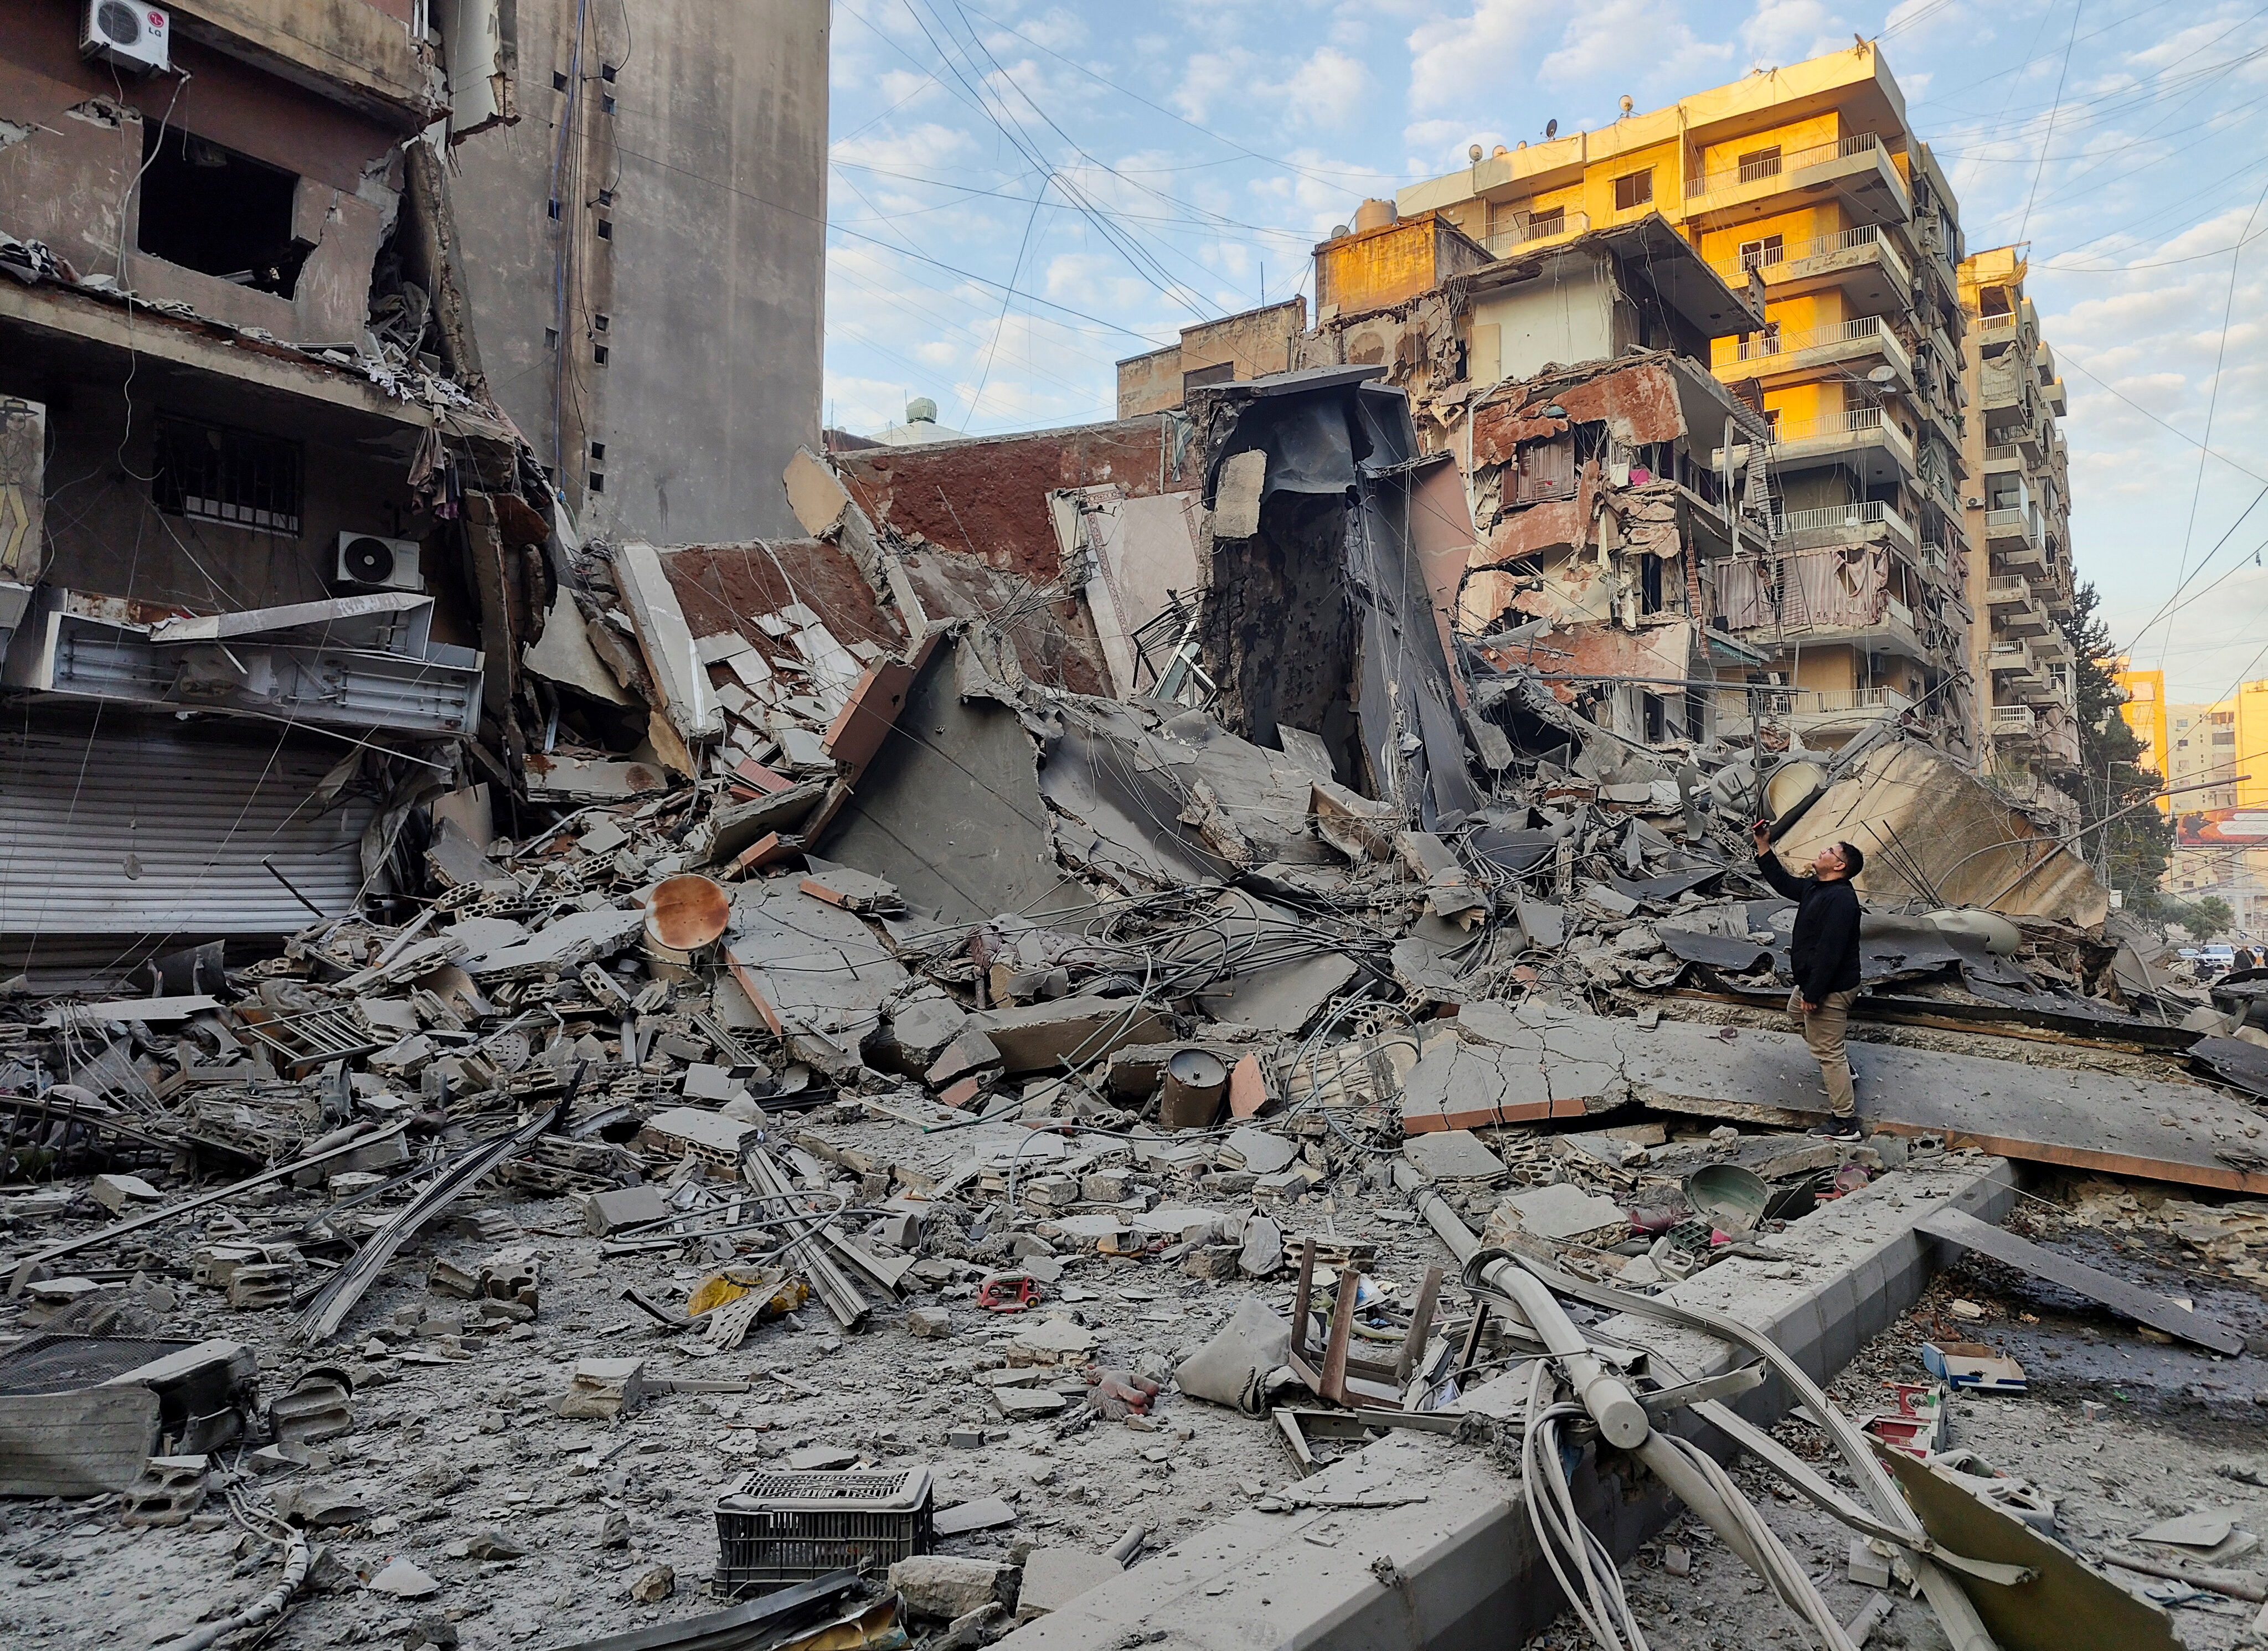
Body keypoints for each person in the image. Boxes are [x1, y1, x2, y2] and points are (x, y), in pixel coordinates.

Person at [1750, 822, 1866, 1142]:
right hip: (1814, 981)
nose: (1822, 851)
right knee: (1796, 1015)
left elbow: (1831, 951)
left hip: (1831, 986)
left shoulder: (1842, 901)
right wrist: (1763, 845)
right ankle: (1845, 1070)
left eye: (1830, 851)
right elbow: (1784, 883)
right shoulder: (1818, 887)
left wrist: (1814, 992)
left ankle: (1845, 1122)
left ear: (1839, 866)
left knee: (1828, 1052)